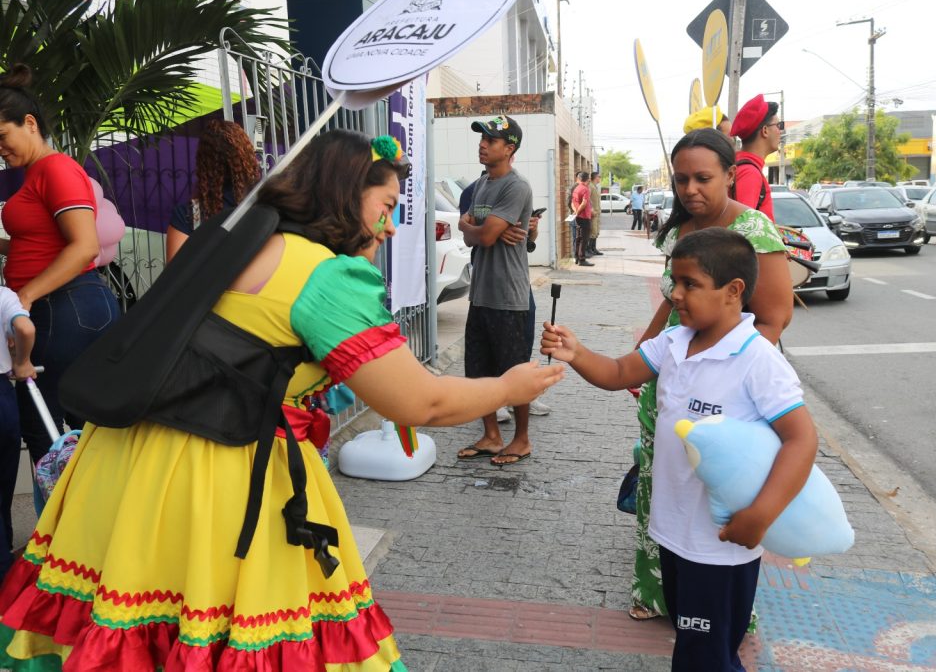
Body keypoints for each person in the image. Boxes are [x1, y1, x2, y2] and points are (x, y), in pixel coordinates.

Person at [0, 129, 564, 670]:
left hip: (121, 469)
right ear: (346, 194)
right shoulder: (324, 276)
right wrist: (510, 387)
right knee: (240, 634)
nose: (390, 227)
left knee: (131, 630)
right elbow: (422, 404)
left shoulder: (231, 237)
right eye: (385, 206)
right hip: (217, 472)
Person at [541, 227, 817, 671]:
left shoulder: (756, 359)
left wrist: (761, 515)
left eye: (690, 284)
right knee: (701, 649)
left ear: (733, 291)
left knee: (702, 656)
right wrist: (576, 352)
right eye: (674, 282)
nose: (677, 294)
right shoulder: (674, 342)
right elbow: (617, 372)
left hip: (720, 546)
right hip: (673, 534)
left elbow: (802, 439)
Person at [627, 128, 793, 623]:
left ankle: (723, 609)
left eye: (703, 178)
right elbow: (673, 302)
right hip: (672, 378)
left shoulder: (754, 229)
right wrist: (644, 351)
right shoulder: (681, 231)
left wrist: (718, 373)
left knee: (719, 487)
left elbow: (774, 318)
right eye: (681, 180)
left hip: (728, 391)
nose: (691, 189)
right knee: (664, 481)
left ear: (728, 175)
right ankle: (660, 593)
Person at [0, 64, 121, 472]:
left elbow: (84, 245)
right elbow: (39, 243)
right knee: (73, 428)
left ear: (29, 123)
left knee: (45, 429)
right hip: (67, 307)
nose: (0, 148)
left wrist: (26, 296)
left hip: (62, 307)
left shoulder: (55, 168)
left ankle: (64, 529)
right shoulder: (37, 173)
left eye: (3, 136)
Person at [456, 114, 543, 466]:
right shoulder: (480, 186)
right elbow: (472, 234)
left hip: (509, 296)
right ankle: (492, 436)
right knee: (479, 370)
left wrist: (480, 229)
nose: (482, 144)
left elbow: (485, 234)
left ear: (509, 149)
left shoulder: (515, 186)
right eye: (482, 138)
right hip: (481, 293)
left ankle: (521, 440)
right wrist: (473, 228)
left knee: (514, 372)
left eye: (490, 140)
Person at [165, 119, 260, 261]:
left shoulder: (189, 215)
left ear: (203, 163)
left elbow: (175, 274)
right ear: (248, 157)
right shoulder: (265, 203)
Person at [0, 286, 35, 582]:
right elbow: (24, 327)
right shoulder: (3, 295)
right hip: (2, 399)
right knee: (3, 487)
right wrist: (22, 362)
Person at [729, 94, 782, 221]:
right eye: (778, 126)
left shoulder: (741, 164)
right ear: (765, 130)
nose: (780, 131)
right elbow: (744, 227)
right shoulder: (749, 172)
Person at [570, 171, 594, 266]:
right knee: (584, 238)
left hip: (578, 217)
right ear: (587, 179)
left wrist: (575, 211)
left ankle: (576, 257)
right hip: (584, 217)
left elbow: (572, 203)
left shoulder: (576, 188)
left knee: (578, 238)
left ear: (579, 179)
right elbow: (584, 203)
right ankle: (582, 259)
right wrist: (578, 211)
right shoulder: (585, 189)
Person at [588, 171, 603, 256]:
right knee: (593, 231)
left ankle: (594, 248)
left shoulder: (595, 187)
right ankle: (590, 249)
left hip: (597, 213)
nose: (599, 178)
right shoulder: (590, 186)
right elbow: (587, 199)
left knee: (596, 231)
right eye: (599, 177)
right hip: (593, 213)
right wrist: (591, 210)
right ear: (595, 177)